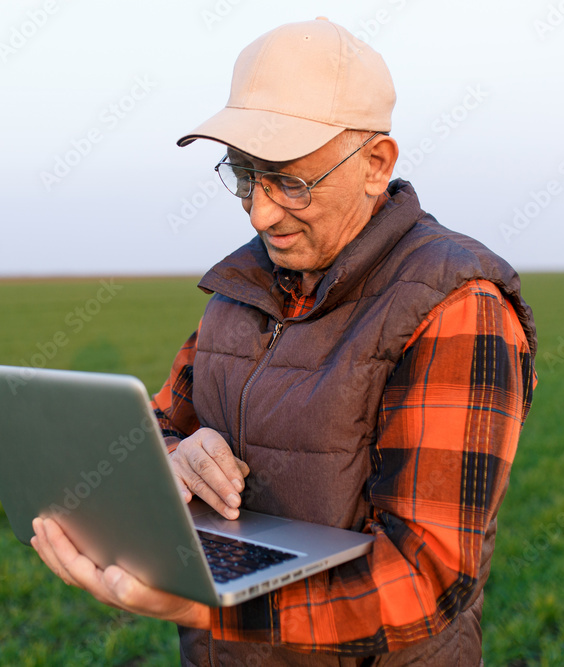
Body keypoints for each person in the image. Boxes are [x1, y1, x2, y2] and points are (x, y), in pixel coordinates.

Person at [31, 17, 537, 665]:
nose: (259, 212)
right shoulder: (239, 287)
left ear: (376, 164)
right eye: (244, 174)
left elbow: (424, 578)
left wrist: (207, 605)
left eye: (290, 180)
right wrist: (177, 455)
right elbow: (146, 433)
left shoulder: (457, 305)